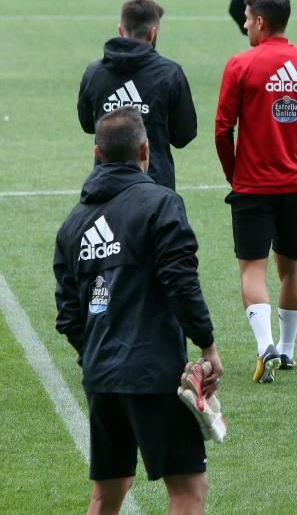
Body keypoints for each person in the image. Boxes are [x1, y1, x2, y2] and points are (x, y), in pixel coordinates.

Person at [54, 106, 223, 515]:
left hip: (101, 376)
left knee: (107, 493)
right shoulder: (161, 204)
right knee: (188, 489)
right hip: (153, 373)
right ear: (145, 150)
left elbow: (69, 316)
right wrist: (207, 346)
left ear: (97, 154)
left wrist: (97, 354)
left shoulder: (73, 225)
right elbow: (181, 281)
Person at [215, 0, 297, 383]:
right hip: (296, 187)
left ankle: (265, 345)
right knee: (291, 266)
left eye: (247, 18)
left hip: (252, 187)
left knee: (252, 268)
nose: (245, 24)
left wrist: (235, 174)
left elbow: (222, 129)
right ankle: (286, 351)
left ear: (261, 21)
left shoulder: (240, 65)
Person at [77, 0, 197, 190]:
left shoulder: (94, 73)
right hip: (155, 185)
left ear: (120, 30)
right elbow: (184, 135)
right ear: (152, 33)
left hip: (106, 186)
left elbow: (89, 125)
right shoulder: (170, 73)